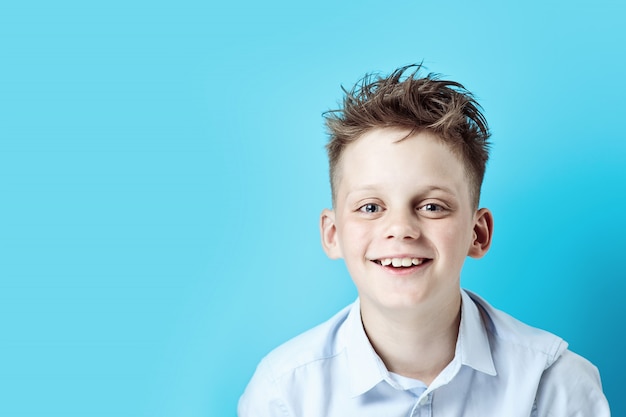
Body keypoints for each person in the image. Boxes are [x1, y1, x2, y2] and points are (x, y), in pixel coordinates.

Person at [237, 64, 610, 416]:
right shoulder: (284, 393)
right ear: (333, 234)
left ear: (478, 234)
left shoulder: (552, 384)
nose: (400, 229)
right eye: (370, 207)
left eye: (432, 206)